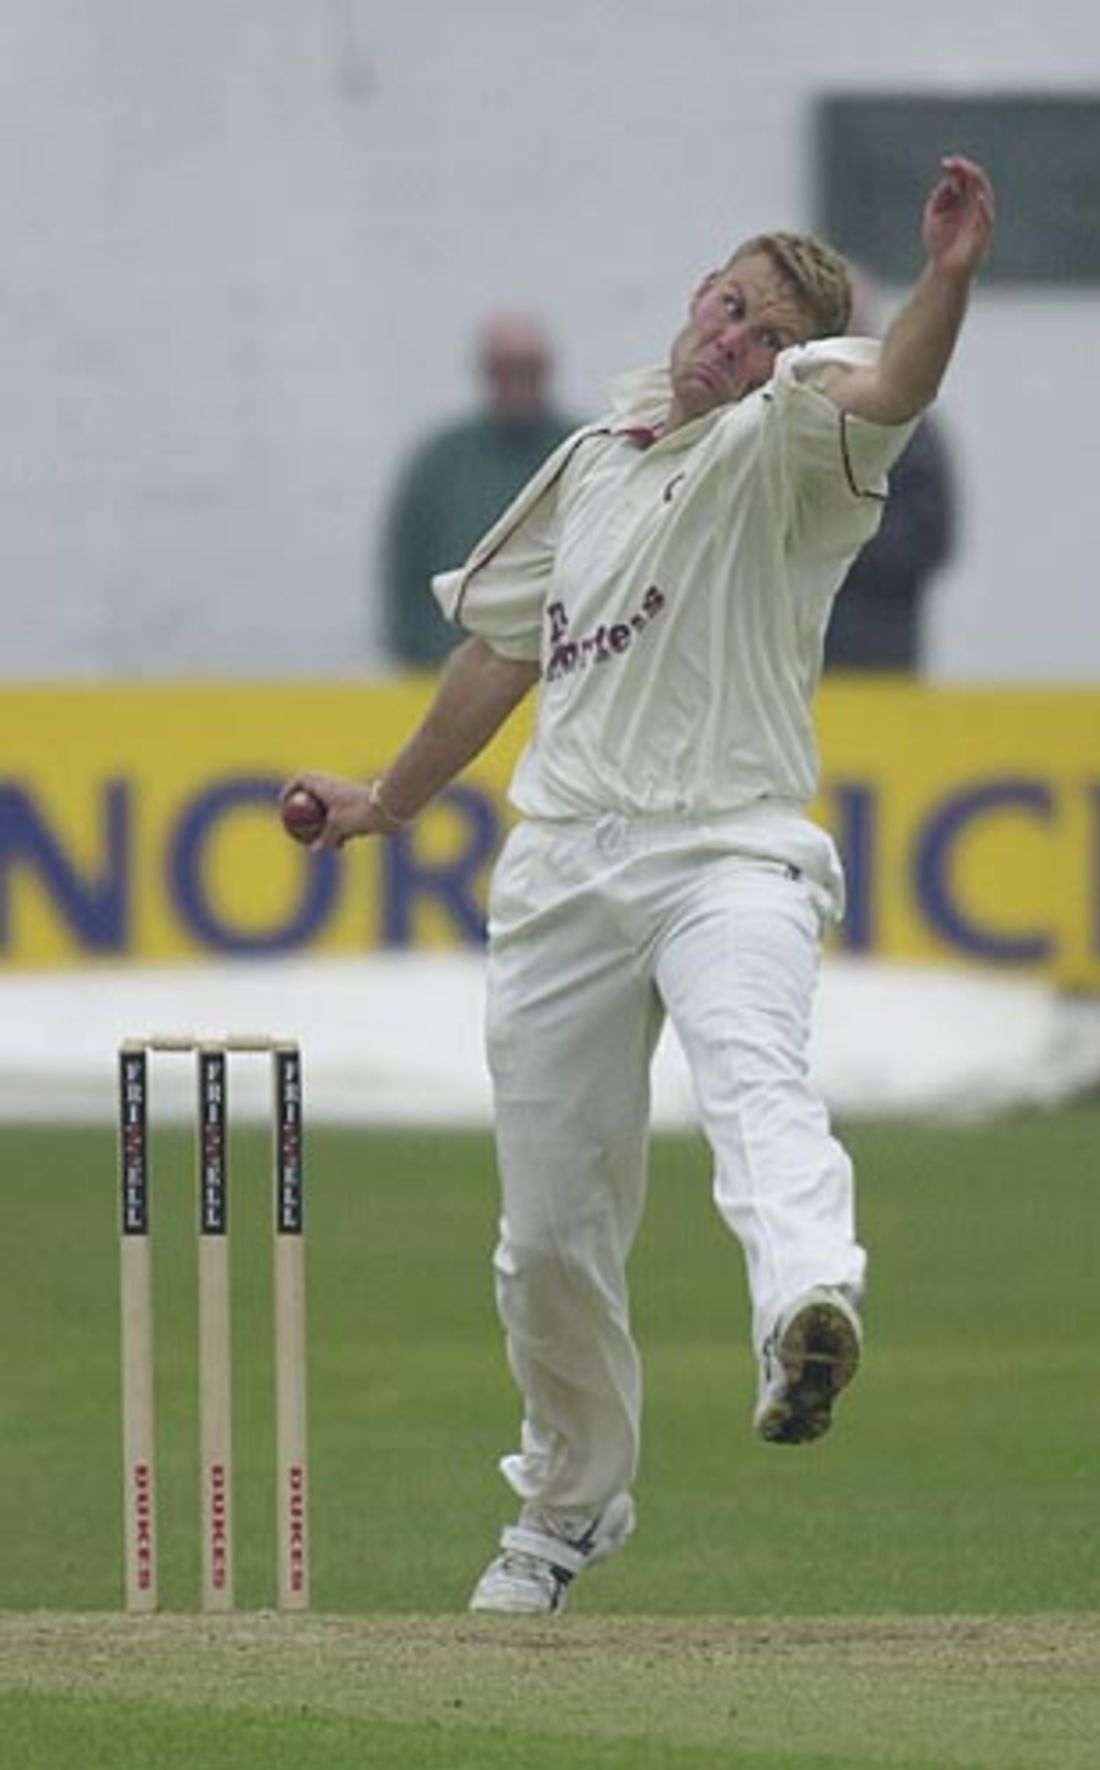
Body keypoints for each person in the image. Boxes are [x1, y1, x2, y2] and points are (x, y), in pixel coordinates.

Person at [284, 156, 995, 1616]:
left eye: (761, 334)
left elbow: (893, 386)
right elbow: (499, 649)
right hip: (561, 863)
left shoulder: (796, 435)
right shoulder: (596, 452)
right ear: (698, 298)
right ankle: (562, 1513)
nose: (734, 343)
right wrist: (387, 801)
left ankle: (811, 1300)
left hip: (728, 845)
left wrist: (949, 280)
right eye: (728, 313)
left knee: (754, 1069)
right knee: (547, 1236)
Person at [377, 313, 577, 668]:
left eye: (527, 369)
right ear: (486, 373)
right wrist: (415, 653)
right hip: (447, 670)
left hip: (563, 674)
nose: (516, 382)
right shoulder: (441, 461)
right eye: (504, 368)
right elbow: (404, 565)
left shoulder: (584, 455)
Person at [822, 270, 955, 671]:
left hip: (873, 657)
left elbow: (929, 539)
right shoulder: (771, 422)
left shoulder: (911, 433)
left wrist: (828, 535)